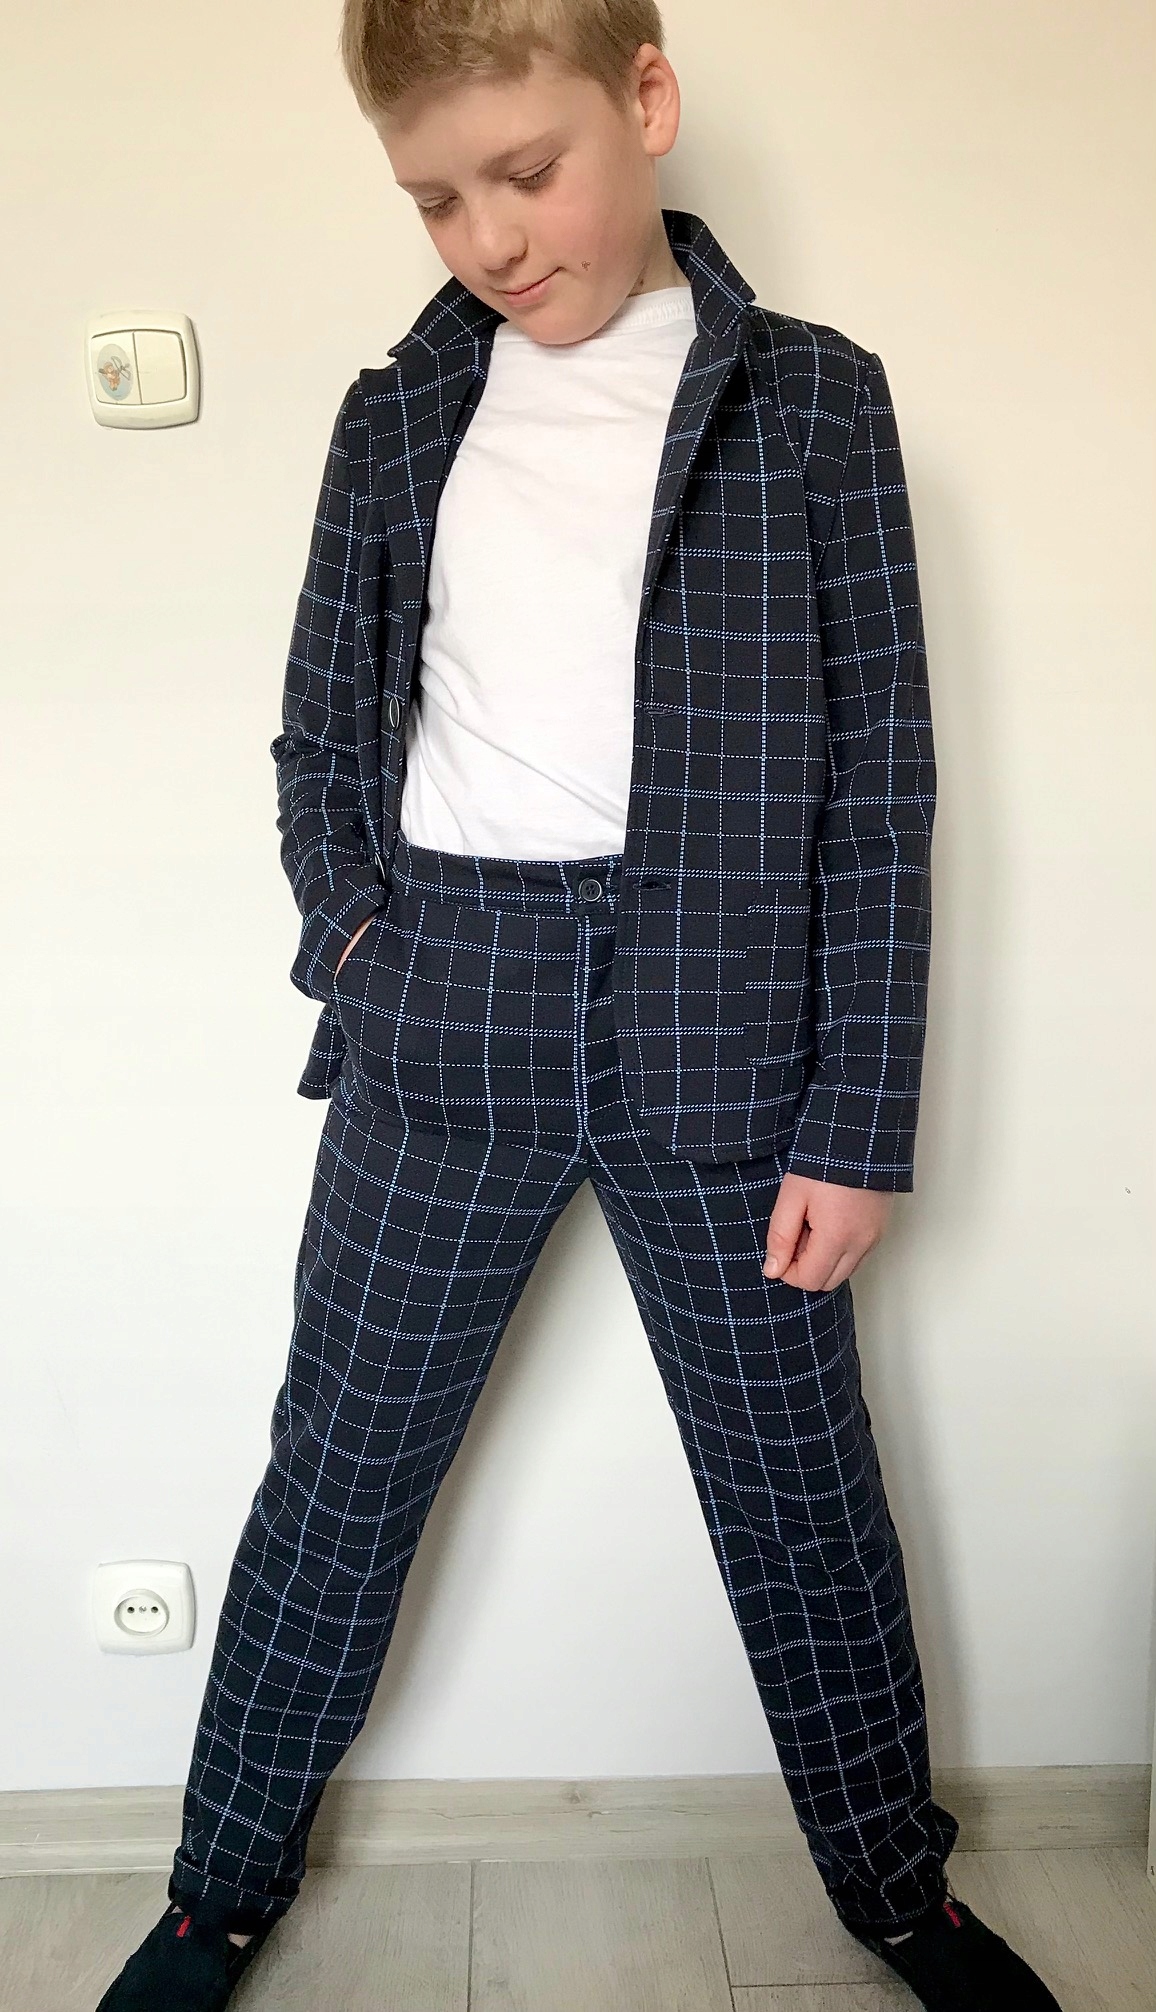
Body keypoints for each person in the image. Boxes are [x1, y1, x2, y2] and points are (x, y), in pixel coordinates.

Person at [95, 5, 1064, 2009]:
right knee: (339, 1472)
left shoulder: (813, 401)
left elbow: (882, 779)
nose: (489, 237)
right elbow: (318, 734)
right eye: (435, 199)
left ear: (645, 101)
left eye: (524, 174)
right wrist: (359, 947)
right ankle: (215, 1890)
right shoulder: (395, 418)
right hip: (447, 1007)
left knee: (800, 1500)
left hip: (727, 1026)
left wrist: (856, 1117)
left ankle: (898, 1894)